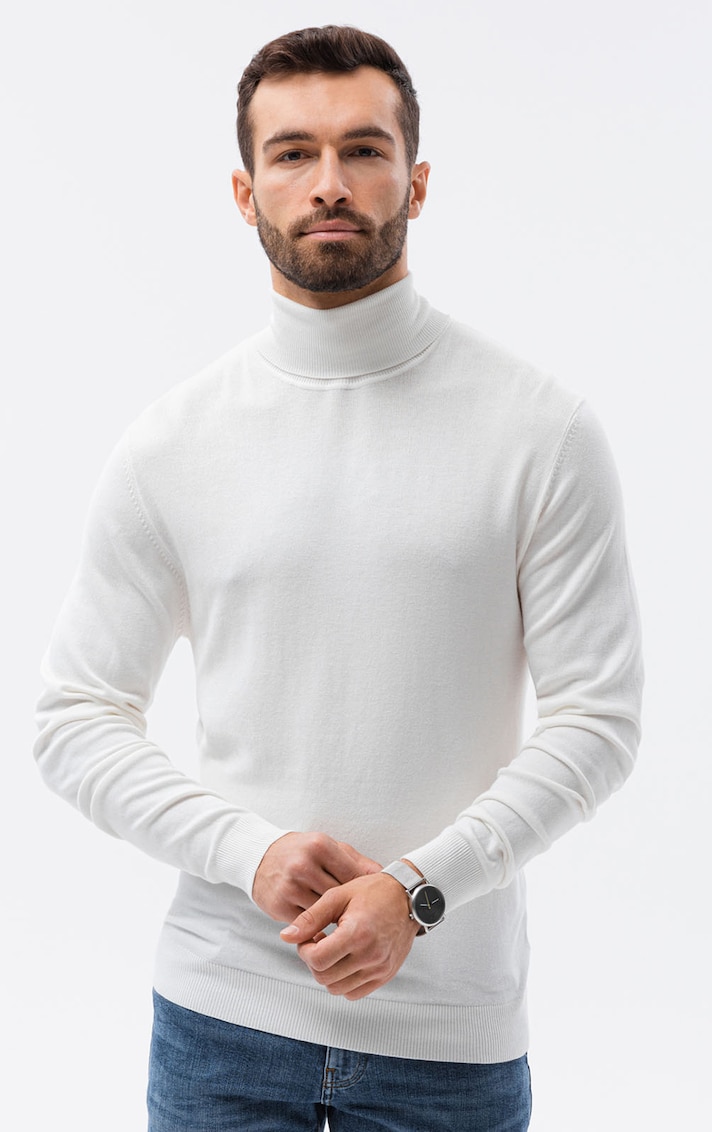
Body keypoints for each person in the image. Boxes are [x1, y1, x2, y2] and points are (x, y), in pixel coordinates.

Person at [34, 24, 643, 1131]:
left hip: (449, 1043)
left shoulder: (540, 431)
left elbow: (598, 721)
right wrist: (250, 853)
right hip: (220, 1020)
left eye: (364, 150)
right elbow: (75, 717)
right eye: (292, 153)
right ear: (244, 191)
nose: (329, 183)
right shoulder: (172, 444)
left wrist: (419, 891)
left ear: (417, 181)